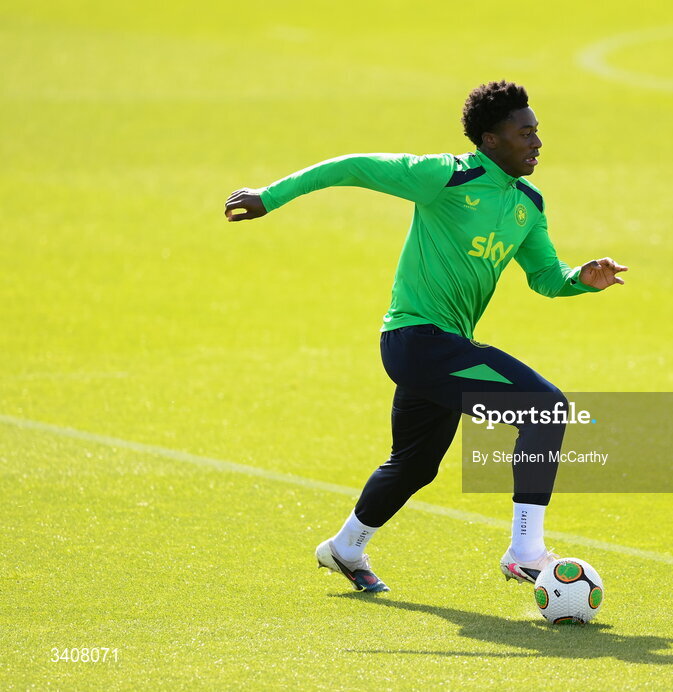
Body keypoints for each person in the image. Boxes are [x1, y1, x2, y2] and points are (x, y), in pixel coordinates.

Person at [224, 80, 627, 593]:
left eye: (536, 131)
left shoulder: (528, 202)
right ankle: (525, 553)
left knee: (414, 465)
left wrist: (581, 279)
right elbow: (353, 166)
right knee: (545, 409)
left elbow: (546, 276)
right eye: (524, 133)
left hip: (438, 348)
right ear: (490, 140)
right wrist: (270, 196)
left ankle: (345, 548)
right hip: (418, 339)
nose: (537, 142)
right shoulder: (446, 176)